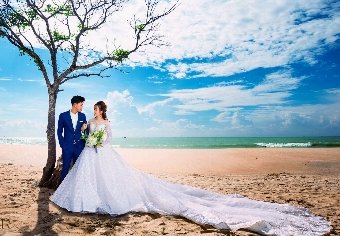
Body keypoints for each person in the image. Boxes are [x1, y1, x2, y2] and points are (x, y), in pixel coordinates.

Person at [51, 101, 331, 236]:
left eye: (96, 109)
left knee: (112, 179)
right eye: (93, 109)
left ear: (102, 111)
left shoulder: (107, 124)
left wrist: (98, 140)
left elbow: (107, 139)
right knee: (87, 179)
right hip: (90, 152)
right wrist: (88, 135)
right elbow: (86, 137)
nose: (94, 111)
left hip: (103, 153)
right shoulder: (88, 121)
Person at [56, 95, 89, 182]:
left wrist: (86, 141)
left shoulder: (83, 116)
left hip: (79, 146)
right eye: (81, 105)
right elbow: (59, 131)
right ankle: (62, 191)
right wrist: (62, 144)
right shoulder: (63, 116)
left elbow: (85, 131)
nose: (82, 107)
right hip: (67, 146)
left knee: (77, 169)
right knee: (65, 169)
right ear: (75, 105)